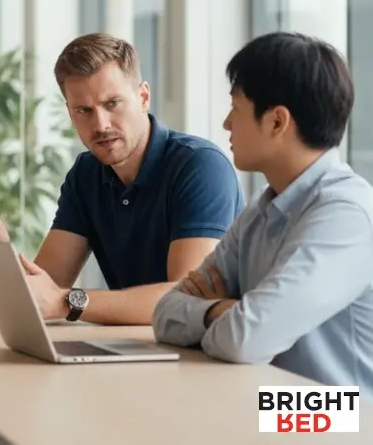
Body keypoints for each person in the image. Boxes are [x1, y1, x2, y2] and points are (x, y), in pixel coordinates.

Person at [0, 33, 244, 325]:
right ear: (69, 112)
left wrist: (69, 302)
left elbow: (184, 302)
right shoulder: (86, 174)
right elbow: (45, 289)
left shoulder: (200, 166)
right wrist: (5, 265)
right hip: (135, 349)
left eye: (112, 103)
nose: (101, 124)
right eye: (84, 111)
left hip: (205, 356)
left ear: (143, 97)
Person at [152, 32, 373, 393]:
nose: (226, 123)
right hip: (268, 399)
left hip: (347, 419)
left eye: (235, 109)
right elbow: (164, 314)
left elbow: (244, 339)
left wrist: (230, 316)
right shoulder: (262, 206)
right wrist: (222, 309)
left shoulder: (345, 215)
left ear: (276, 121)